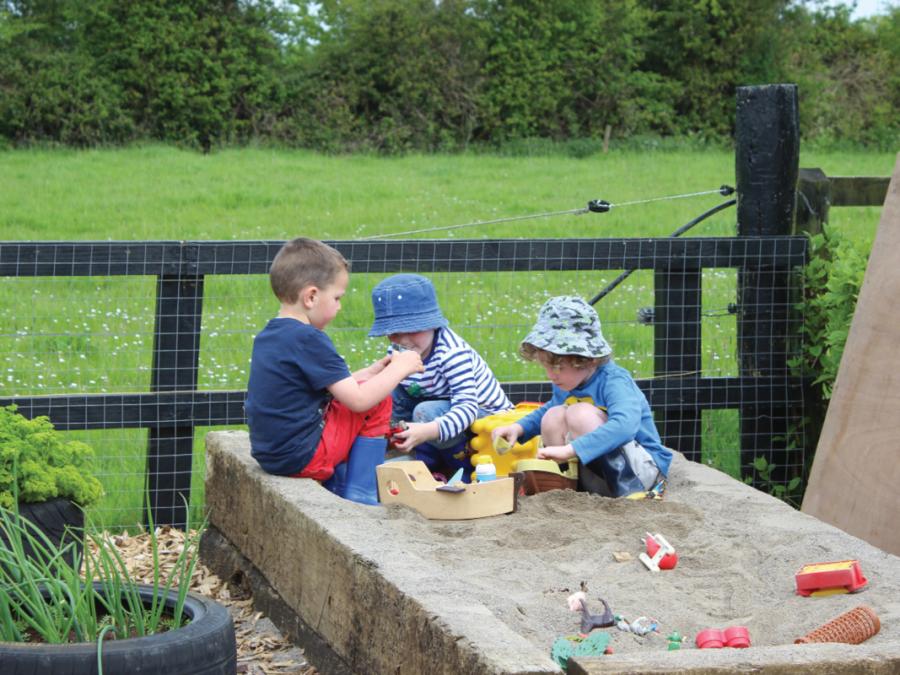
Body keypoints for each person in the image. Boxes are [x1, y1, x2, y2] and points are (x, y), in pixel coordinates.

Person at [245, 238, 423, 504]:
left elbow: (324, 387)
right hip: (303, 458)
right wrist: (400, 368)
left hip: (272, 454)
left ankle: (340, 480)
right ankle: (362, 493)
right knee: (378, 401)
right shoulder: (310, 338)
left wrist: (371, 373)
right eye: (337, 298)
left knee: (358, 397)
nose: (339, 307)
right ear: (311, 296)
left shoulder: (270, 335)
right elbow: (359, 401)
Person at [492, 296, 671, 497]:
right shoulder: (569, 381)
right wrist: (519, 428)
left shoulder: (614, 381)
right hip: (597, 473)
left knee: (579, 413)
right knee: (553, 415)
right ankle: (566, 490)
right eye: (546, 366)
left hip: (642, 471)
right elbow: (548, 408)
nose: (551, 375)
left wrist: (570, 450)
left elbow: (625, 425)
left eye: (558, 367)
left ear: (588, 359)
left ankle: (629, 491)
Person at [368, 273, 513, 481]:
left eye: (413, 329)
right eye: (395, 333)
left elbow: (467, 409)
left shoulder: (452, 353)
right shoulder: (400, 349)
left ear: (433, 323)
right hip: (440, 407)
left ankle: (457, 467)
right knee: (392, 391)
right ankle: (406, 453)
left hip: (485, 420)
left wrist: (426, 431)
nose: (404, 340)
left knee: (424, 412)